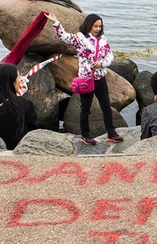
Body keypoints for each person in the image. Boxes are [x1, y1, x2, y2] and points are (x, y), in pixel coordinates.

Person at [46, 12, 123, 145]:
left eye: (100, 26)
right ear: (89, 25)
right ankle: (85, 135)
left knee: (106, 107)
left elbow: (110, 56)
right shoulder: (80, 39)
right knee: (85, 109)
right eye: (95, 26)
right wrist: (56, 22)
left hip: (100, 78)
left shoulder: (103, 40)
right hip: (86, 79)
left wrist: (102, 63)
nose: (98, 29)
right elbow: (64, 37)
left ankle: (112, 133)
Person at [0, 63, 38, 149]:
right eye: (18, 77)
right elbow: (33, 132)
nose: (21, 80)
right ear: (11, 81)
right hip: (19, 150)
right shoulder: (25, 105)